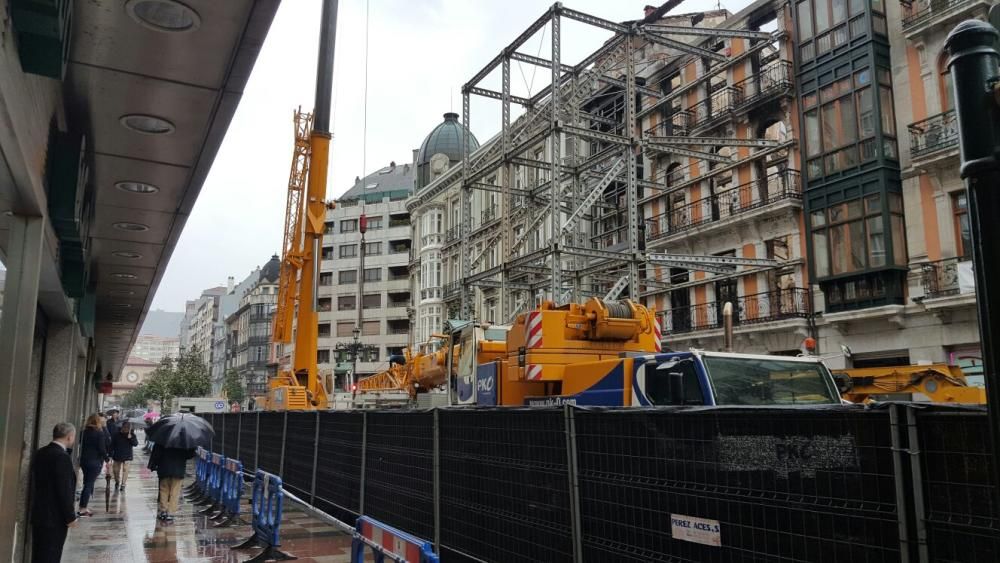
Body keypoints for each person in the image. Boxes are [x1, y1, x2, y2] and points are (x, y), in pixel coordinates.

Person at [30, 422, 78, 563]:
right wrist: (70, 517)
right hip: (54, 518)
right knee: (51, 555)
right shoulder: (61, 457)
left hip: (39, 514)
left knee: (38, 555)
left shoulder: (41, 452)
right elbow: (64, 490)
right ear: (69, 437)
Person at [148, 446, 194, 522]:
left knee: (163, 490)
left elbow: (156, 454)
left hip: (164, 468)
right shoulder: (183, 441)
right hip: (178, 469)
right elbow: (189, 455)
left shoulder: (163, 438)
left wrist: (154, 464)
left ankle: (163, 510)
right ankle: (170, 513)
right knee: (175, 492)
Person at [78, 414, 110, 516]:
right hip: (94, 461)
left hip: (84, 460)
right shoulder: (99, 433)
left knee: (86, 483)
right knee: (89, 484)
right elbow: (102, 449)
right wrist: (107, 459)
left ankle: (83, 505)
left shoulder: (83, 432)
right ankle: (83, 508)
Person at [110, 421, 138, 492]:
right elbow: (112, 445)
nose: (125, 429)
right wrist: (110, 454)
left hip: (127, 455)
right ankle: (117, 481)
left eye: (127, 428)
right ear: (122, 427)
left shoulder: (131, 435)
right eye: (124, 427)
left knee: (125, 470)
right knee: (116, 470)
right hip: (117, 455)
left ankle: (123, 484)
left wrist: (130, 438)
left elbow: (135, 444)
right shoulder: (117, 435)